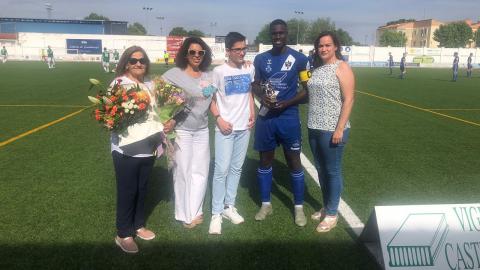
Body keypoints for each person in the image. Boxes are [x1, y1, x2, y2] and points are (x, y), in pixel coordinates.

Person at [251, 19, 309, 227]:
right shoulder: (260, 59)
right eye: (274, 34)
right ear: (270, 35)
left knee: (294, 161)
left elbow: (307, 90)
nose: (277, 37)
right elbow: (255, 85)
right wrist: (262, 97)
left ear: (287, 34)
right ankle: (266, 204)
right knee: (265, 160)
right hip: (266, 118)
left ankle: (298, 208)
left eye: (281, 33)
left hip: (288, 118)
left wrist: (287, 103)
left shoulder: (300, 59)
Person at [110, 46, 164, 253]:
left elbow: (156, 111)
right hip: (126, 148)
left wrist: (165, 121)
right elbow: (117, 116)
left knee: (142, 189)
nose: (138, 63)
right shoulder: (120, 83)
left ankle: (138, 225)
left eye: (142, 60)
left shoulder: (149, 84)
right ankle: (123, 233)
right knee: (127, 190)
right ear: (126, 63)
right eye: (133, 60)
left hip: (147, 147)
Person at [162, 37, 215, 229]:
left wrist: (245, 64)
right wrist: (167, 117)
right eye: (192, 52)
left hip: (202, 130)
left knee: (201, 171)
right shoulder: (174, 74)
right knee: (183, 171)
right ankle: (184, 214)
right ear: (186, 54)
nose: (196, 56)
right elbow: (156, 91)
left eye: (200, 52)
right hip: (182, 130)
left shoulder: (209, 76)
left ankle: (196, 210)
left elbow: (213, 101)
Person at [307, 31, 355, 233]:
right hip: (314, 126)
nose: (324, 49)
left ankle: (333, 213)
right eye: (320, 46)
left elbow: (349, 99)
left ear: (336, 46)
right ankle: (326, 206)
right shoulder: (318, 69)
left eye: (328, 45)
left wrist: (340, 128)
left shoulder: (342, 67)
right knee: (320, 169)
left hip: (332, 129)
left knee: (332, 171)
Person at [208, 32, 255, 235]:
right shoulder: (218, 72)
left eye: (244, 48)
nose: (242, 52)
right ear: (228, 51)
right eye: (238, 49)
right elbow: (210, 98)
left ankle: (229, 206)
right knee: (221, 170)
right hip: (225, 128)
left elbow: (249, 92)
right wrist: (218, 119)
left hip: (244, 128)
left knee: (236, 168)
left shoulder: (249, 68)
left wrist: (252, 113)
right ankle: (216, 213)